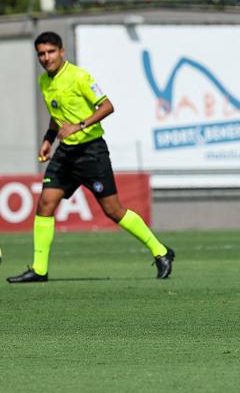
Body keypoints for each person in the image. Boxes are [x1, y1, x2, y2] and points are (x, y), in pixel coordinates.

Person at [7, 32, 175, 283]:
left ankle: (161, 251)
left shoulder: (79, 77)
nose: (46, 57)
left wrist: (79, 125)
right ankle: (39, 269)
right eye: (41, 53)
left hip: (91, 152)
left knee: (113, 210)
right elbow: (58, 115)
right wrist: (48, 139)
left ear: (62, 52)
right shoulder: (44, 81)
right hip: (65, 154)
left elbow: (107, 106)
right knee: (45, 204)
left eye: (51, 52)